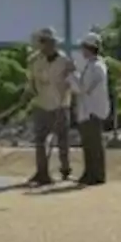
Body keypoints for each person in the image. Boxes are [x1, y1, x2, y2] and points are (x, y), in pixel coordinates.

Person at [25, 26, 75, 186]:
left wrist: (66, 99)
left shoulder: (65, 62)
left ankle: (65, 169)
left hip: (60, 105)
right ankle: (42, 172)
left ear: (53, 43)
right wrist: (27, 95)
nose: (43, 45)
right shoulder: (34, 61)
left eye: (46, 42)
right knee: (40, 140)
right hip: (42, 104)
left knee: (62, 140)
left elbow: (72, 82)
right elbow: (31, 82)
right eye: (42, 42)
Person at [74, 32, 110, 186]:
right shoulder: (90, 66)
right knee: (88, 145)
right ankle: (89, 173)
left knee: (94, 145)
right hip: (87, 111)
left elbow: (84, 88)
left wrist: (71, 75)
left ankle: (97, 175)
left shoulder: (97, 67)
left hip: (93, 111)